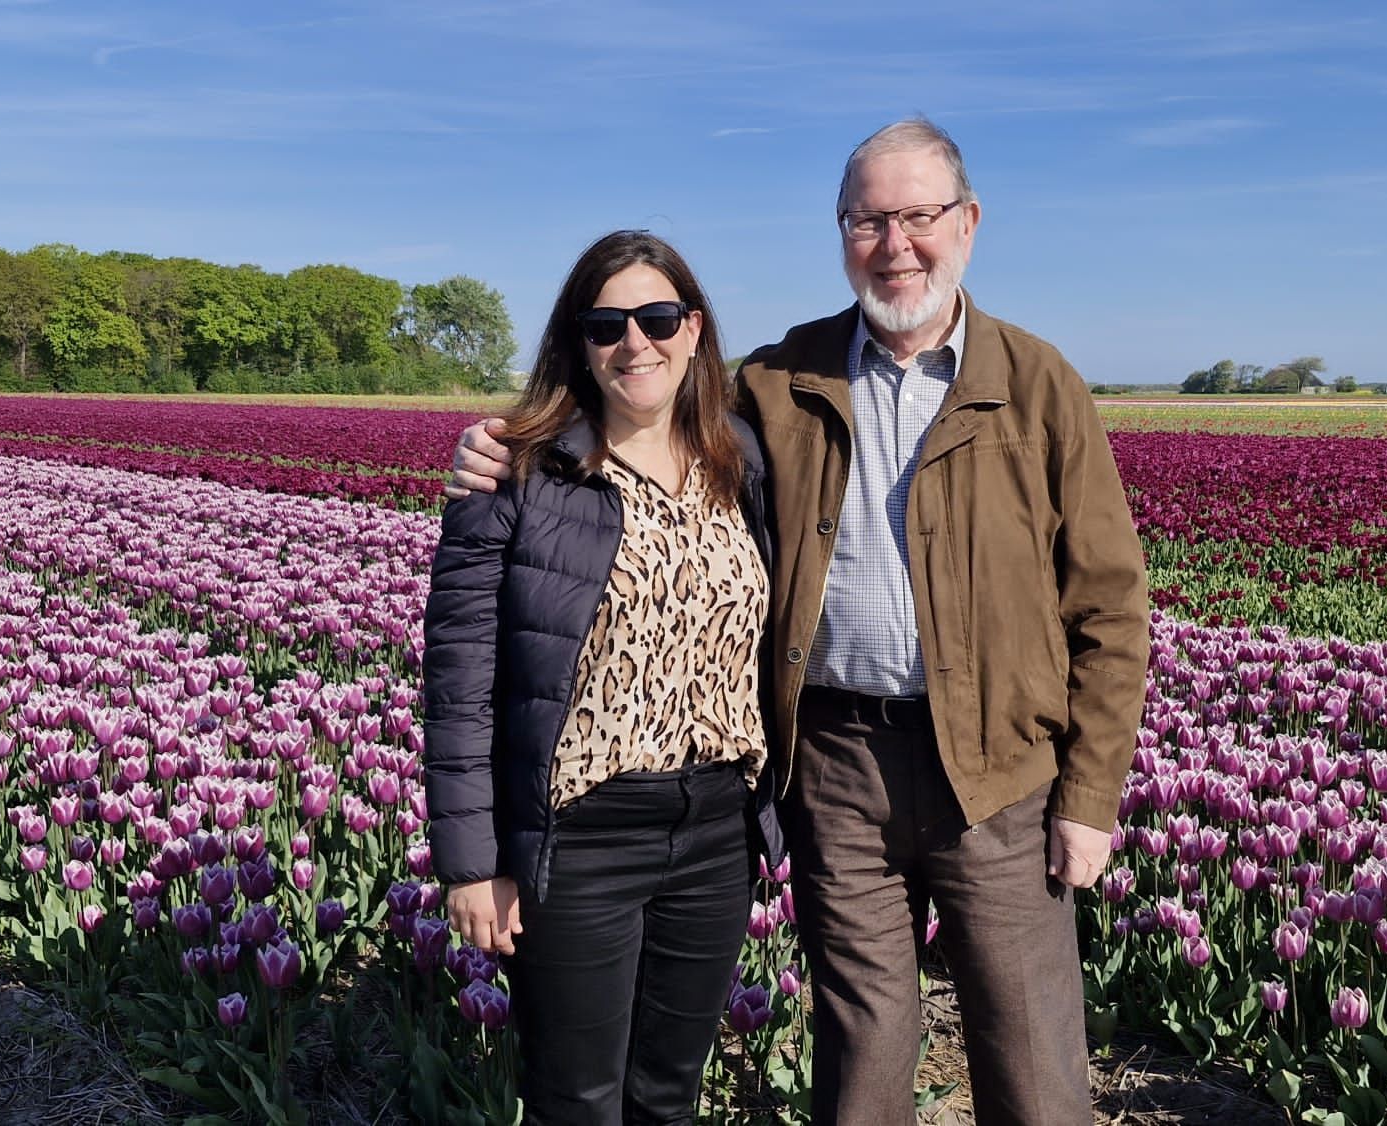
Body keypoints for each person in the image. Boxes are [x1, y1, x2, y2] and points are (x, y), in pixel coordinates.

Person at [447, 120, 1149, 1126]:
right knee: (861, 1044)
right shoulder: (780, 381)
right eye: (866, 221)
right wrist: (506, 448)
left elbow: (1109, 605)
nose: (894, 244)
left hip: (998, 769)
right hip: (833, 764)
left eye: (917, 216)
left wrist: (1089, 796)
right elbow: (642, 411)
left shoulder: (1038, 385)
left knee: (1031, 1054)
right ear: (840, 232)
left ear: (967, 223)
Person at [423, 229, 783, 1124]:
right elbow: (460, 684)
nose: (634, 343)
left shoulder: (743, 461)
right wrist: (472, 866)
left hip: (717, 830)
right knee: (575, 1100)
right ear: (577, 342)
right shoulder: (519, 472)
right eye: (605, 325)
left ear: (693, 330)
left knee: (668, 1094)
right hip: (581, 835)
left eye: (657, 318)